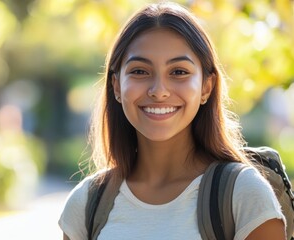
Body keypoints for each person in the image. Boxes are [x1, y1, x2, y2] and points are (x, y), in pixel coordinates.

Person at [58, 2, 286, 240]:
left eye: (179, 72)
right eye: (139, 71)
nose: (159, 91)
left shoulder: (244, 195)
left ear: (206, 87)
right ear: (116, 85)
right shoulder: (86, 204)